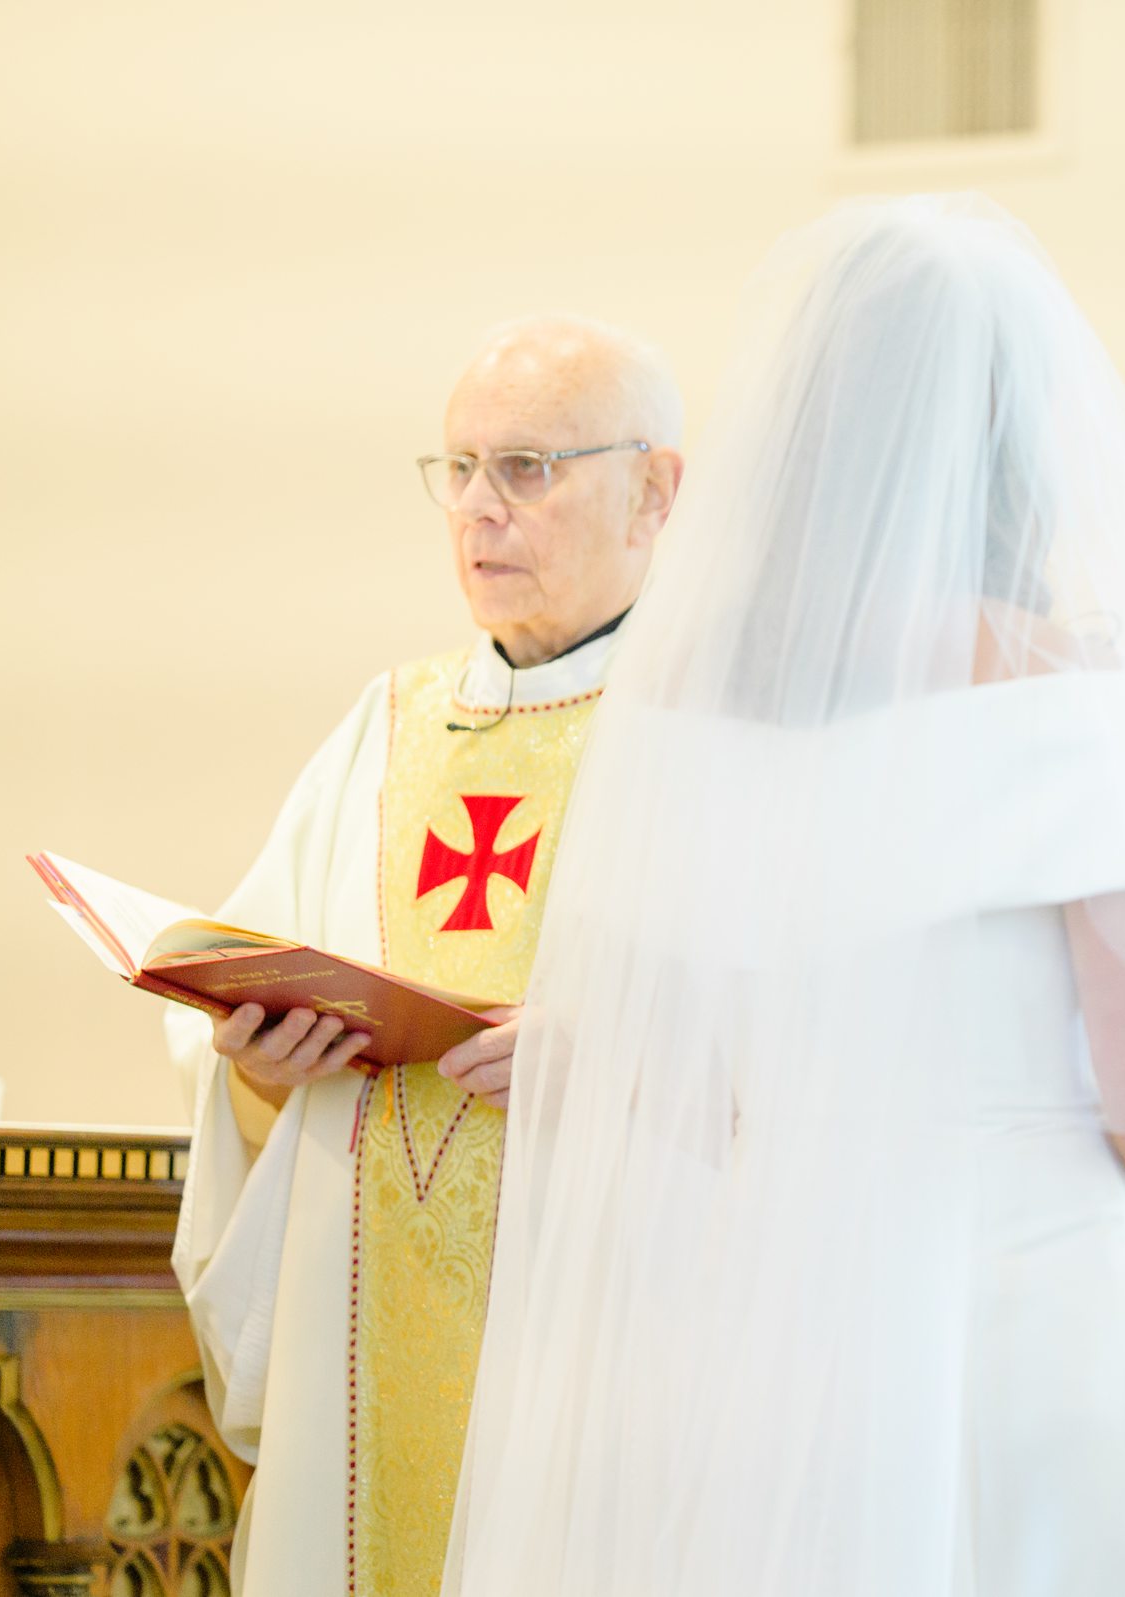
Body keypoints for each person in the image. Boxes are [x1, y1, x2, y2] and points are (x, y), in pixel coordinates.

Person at [440, 196, 1125, 1597]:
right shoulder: (1078, 703)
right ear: (1024, 432)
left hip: (770, 1326)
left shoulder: (690, 714)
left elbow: (669, 1072)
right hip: (1014, 1311)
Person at [167, 314, 685, 1596]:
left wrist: (620, 1060)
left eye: (528, 467)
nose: (478, 510)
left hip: (624, 1369)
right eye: (458, 469)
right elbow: (233, 1014)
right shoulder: (383, 733)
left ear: (656, 488)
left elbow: (816, 1054)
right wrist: (258, 1070)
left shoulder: (719, 736)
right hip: (366, 1352)